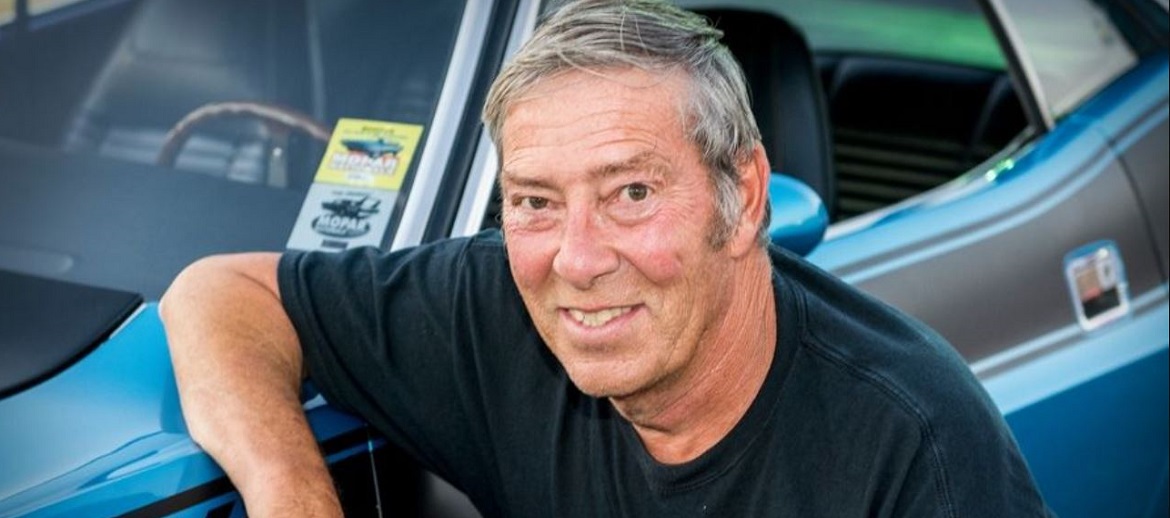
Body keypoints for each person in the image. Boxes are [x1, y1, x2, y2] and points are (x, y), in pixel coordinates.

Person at [160, 0, 1053, 516]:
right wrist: (290, 490)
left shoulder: (915, 448)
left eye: (631, 193)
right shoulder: (493, 306)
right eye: (535, 201)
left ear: (743, 199)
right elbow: (217, 293)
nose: (577, 261)